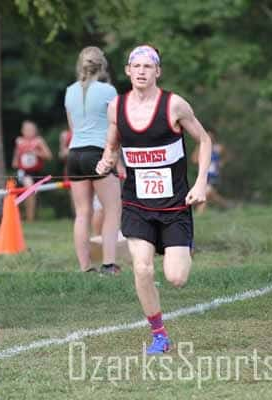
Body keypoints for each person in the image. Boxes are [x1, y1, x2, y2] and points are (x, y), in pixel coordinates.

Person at [96, 45, 212, 354]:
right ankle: (159, 335)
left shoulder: (174, 105)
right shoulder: (116, 108)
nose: (142, 71)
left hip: (175, 206)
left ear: (157, 72)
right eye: (137, 66)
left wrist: (201, 182)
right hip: (137, 204)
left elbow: (204, 139)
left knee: (176, 278)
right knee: (142, 268)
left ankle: (178, 248)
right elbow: (112, 146)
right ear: (128, 71)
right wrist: (106, 160)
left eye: (149, 66)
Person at [64, 46, 123, 274]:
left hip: (75, 154)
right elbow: (115, 127)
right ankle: (109, 264)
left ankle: (85, 267)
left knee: (82, 213)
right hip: (97, 153)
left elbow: (73, 127)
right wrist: (117, 158)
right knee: (112, 209)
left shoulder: (69, 91)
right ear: (103, 66)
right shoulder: (108, 91)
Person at [11, 120, 52, 222]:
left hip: (37, 173)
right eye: (27, 130)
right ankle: (30, 218)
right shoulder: (19, 141)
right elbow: (15, 162)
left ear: (35, 131)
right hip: (24, 172)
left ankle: (31, 215)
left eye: (31, 130)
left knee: (32, 193)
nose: (29, 132)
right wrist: (21, 158)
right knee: (29, 189)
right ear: (22, 131)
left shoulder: (38, 141)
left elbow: (49, 156)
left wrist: (36, 153)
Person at [191, 131, 230, 213]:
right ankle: (227, 206)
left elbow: (226, 156)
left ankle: (200, 214)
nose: (209, 138)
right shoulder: (201, 147)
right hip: (204, 176)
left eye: (211, 136)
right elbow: (194, 160)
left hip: (214, 176)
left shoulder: (218, 148)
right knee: (211, 196)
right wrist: (199, 148)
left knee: (206, 194)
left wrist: (222, 162)